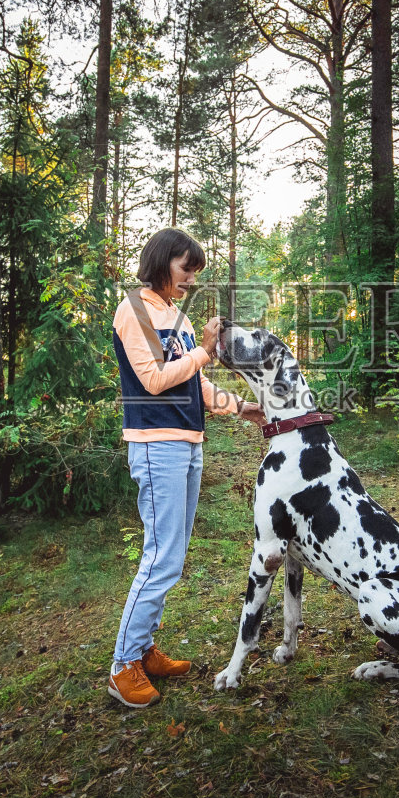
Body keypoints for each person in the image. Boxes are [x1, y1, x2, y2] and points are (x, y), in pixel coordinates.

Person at [108, 228, 265, 708]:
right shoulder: (132, 310)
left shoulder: (178, 317)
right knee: (160, 558)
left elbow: (193, 386)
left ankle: (144, 649)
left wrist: (242, 408)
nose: (192, 280)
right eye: (185, 269)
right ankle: (122, 668)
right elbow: (154, 381)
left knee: (170, 557)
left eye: (196, 273)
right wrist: (203, 349)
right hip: (157, 446)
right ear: (160, 262)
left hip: (189, 443)